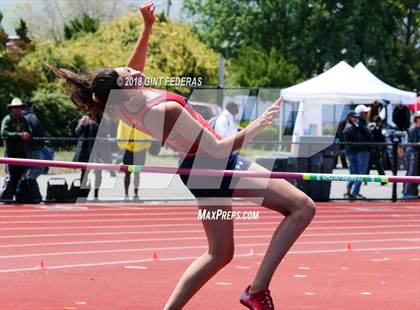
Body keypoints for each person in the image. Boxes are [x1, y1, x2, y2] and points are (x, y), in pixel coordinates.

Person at [47, 2, 315, 309]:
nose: (136, 70)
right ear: (127, 89)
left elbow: (134, 68)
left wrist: (147, 28)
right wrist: (258, 125)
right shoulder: (165, 111)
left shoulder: (123, 105)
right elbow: (216, 148)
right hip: (213, 164)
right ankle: (257, 290)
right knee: (302, 207)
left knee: (220, 253)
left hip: (196, 169)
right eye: (131, 74)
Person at [0, 98, 31, 200]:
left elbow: (29, 131)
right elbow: (3, 133)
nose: (17, 109)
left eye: (19, 107)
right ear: (11, 109)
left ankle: (18, 194)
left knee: (21, 174)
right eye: (15, 107)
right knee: (11, 175)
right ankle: (8, 195)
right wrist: (19, 135)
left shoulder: (24, 120)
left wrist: (27, 135)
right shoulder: (7, 119)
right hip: (10, 152)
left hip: (22, 152)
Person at [117, 120, 151, 199]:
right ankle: (126, 194)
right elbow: (120, 133)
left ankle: (136, 194)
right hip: (128, 151)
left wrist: (147, 145)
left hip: (140, 152)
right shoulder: (124, 119)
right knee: (127, 173)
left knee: (137, 173)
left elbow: (147, 132)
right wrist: (122, 144)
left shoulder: (142, 118)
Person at [343, 111, 372, 199]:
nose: (356, 119)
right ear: (349, 118)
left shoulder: (358, 126)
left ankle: (353, 192)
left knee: (358, 174)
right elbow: (351, 140)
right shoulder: (349, 128)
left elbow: (366, 136)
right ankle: (350, 191)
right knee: (357, 174)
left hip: (359, 152)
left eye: (356, 117)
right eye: (354, 117)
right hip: (353, 153)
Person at [74, 114, 102, 199]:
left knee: (98, 173)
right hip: (84, 152)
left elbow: (102, 132)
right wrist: (82, 125)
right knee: (84, 173)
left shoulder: (97, 122)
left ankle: (96, 193)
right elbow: (77, 132)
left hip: (95, 152)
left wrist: (93, 124)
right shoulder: (82, 121)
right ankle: (82, 193)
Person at [22, 99, 46, 180]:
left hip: (19, 149)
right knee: (38, 168)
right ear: (31, 107)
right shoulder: (32, 118)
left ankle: (22, 186)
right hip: (33, 149)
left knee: (23, 169)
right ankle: (29, 182)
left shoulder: (17, 117)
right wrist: (42, 144)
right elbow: (40, 133)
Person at [403, 112, 420, 197]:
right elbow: (411, 143)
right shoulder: (413, 129)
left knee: (416, 173)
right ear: (416, 119)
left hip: (417, 153)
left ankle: (414, 192)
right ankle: (408, 192)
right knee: (412, 172)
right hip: (413, 154)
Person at [368, 116, 386, 182]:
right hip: (375, 148)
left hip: (372, 148)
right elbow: (380, 138)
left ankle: (365, 178)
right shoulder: (377, 129)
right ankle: (383, 180)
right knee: (378, 165)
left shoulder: (371, 127)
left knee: (369, 164)